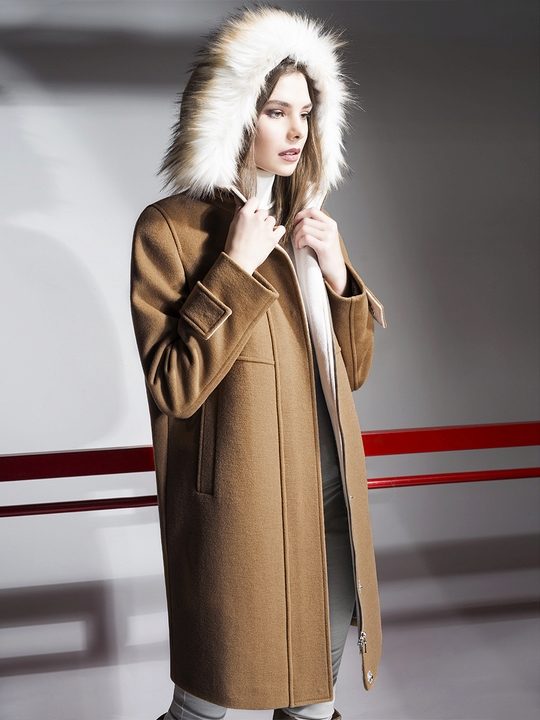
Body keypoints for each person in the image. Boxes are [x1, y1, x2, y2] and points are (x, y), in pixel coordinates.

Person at [130, 5, 387, 720]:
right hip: (241, 510)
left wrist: (338, 278)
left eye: (305, 113)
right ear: (234, 115)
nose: (297, 130)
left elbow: (352, 374)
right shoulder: (170, 230)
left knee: (313, 701)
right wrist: (233, 269)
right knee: (205, 706)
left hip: (329, 499)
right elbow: (173, 386)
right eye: (277, 111)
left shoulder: (309, 225)